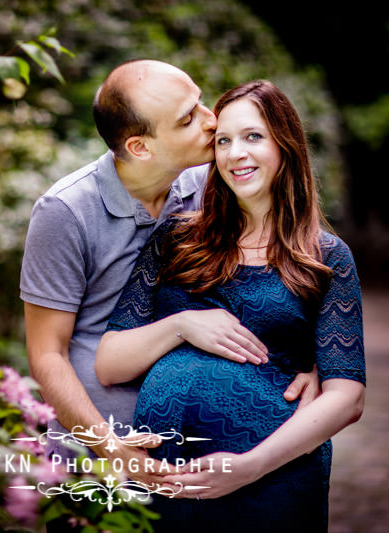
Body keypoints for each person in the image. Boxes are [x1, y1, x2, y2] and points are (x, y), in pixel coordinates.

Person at [20, 61, 318, 492]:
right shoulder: (65, 212)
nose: (211, 119)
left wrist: (313, 361)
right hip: (98, 460)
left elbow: (282, 268)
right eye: (188, 118)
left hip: (196, 451)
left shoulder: (211, 185)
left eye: (199, 101)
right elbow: (47, 354)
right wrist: (110, 449)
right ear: (141, 148)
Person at [95, 80, 366, 531]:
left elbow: (348, 396)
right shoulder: (175, 239)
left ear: (286, 144)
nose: (235, 153)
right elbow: (110, 363)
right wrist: (182, 325)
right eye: (223, 140)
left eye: (253, 137)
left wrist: (251, 465)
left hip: (273, 481)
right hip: (169, 481)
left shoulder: (326, 256)